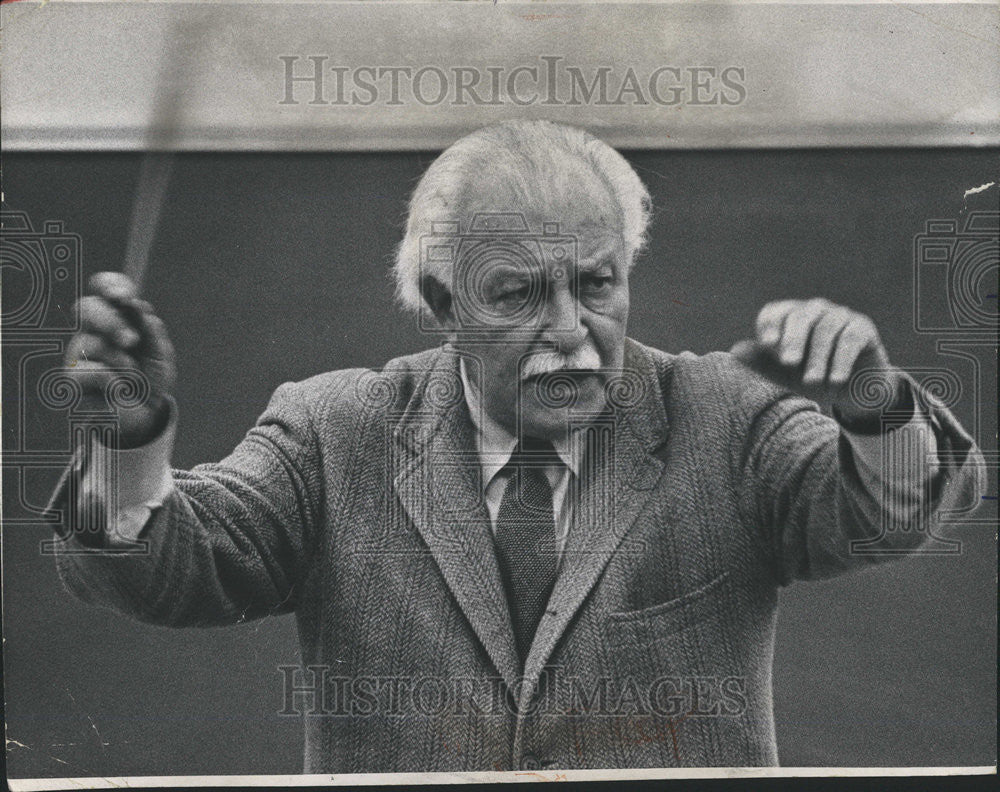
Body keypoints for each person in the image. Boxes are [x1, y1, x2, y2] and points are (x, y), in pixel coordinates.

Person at [49, 119, 983, 772]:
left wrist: (871, 404)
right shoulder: (335, 433)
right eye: (520, 294)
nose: (572, 331)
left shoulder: (725, 417)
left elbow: (897, 510)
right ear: (443, 303)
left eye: (597, 284)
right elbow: (152, 570)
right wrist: (128, 446)